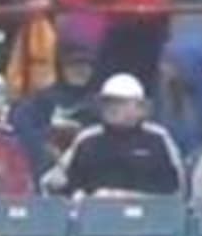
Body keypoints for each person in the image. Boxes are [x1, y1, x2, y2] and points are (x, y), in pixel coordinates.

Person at [47, 74, 184, 197]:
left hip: (149, 219)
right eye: (107, 102)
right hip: (96, 218)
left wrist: (129, 198)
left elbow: (177, 189)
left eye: (120, 102)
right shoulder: (87, 139)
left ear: (139, 106)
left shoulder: (158, 138)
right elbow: (58, 184)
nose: (112, 107)